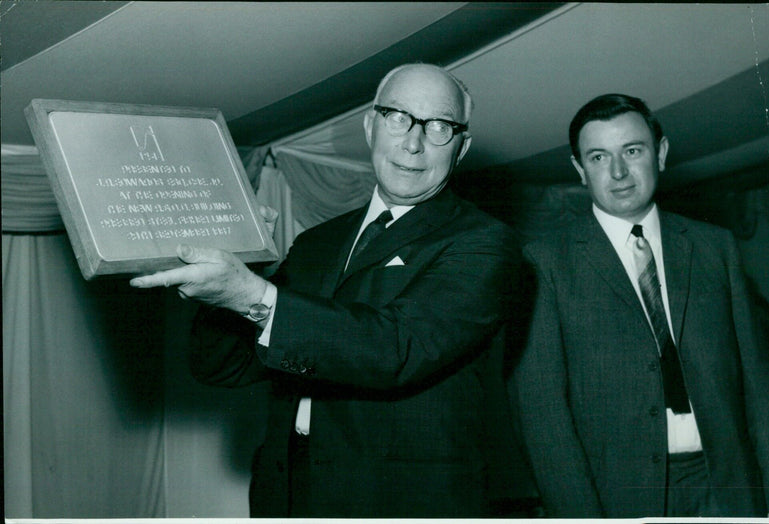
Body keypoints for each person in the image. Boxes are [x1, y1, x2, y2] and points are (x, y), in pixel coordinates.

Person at [130, 63, 522, 517]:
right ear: (370, 126)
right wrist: (230, 281)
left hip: (396, 498)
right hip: (290, 488)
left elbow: (394, 347)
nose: (413, 143)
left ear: (462, 146)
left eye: (439, 127)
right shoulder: (318, 242)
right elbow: (222, 367)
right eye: (398, 117)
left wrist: (251, 294)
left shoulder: (484, 243)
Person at [509, 93, 769, 518]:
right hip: (617, 499)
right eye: (598, 157)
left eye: (632, 150)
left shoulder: (714, 247)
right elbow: (543, 419)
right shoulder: (543, 262)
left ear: (660, 153)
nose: (619, 172)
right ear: (579, 169)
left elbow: (760, 389)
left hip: (728, 489)